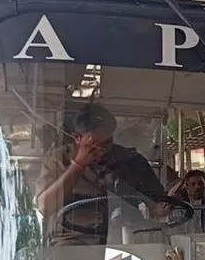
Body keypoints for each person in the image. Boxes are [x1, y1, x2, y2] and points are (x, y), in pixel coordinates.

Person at [35, 103, 169, 245]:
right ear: (77, 138)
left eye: (107, 143)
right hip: (72, 239)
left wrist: (159, 207)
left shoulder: (129, 160)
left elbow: (157, 203)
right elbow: (45, 207)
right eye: (94, 146)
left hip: (122, 236)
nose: (102, 150)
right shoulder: (57, 160)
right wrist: (78, 166)